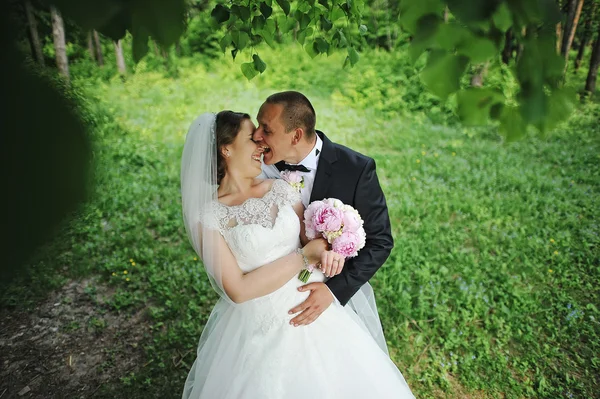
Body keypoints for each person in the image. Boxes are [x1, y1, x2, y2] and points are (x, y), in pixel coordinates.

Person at [180, 110, 414, 398]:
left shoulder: (279, 188)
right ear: (226, 149)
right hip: (259, 321)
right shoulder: (209, 216)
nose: (261, 145)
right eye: (251, 139)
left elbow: (314, 240)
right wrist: (304, 256)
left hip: (314, 305)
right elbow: (238, 290)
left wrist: (332, 249)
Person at [254, 91, 394, 331]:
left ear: (296, 135)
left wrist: (332, 291)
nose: (256, 136)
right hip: (271, 292)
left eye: (266, 129)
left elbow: (380, 241)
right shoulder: (259, 166)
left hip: (326, 292)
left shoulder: (356, 169)